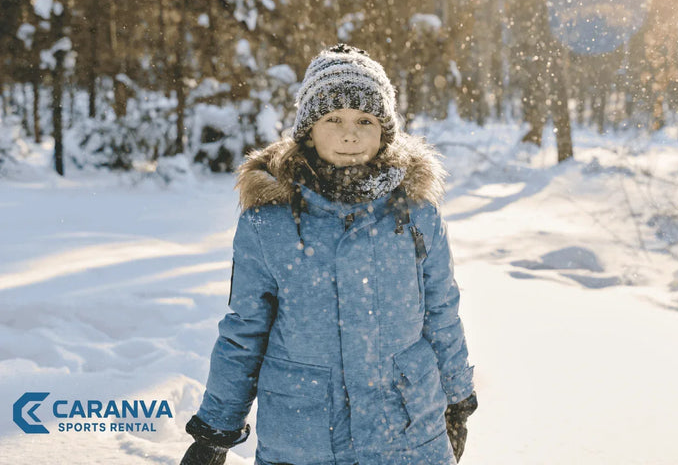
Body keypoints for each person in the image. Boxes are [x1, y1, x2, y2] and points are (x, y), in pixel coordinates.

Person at [179, 44, 477, 465]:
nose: (349, 133)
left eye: (365, 120)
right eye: (332, 119)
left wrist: (457, 398)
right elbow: (244, 331)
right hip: (305, 438)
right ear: (308, 129)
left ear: (385, 131)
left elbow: (442, 311)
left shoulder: (415, 213)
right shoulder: (269, 222)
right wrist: (215, 429)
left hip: (408, 435)